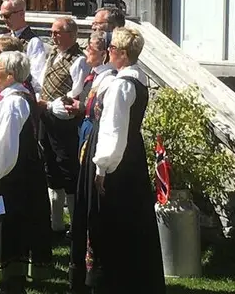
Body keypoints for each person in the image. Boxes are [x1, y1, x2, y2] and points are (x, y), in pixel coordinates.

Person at [69, 26, 165, 294]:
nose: (108, 52)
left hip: (116, 161)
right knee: (129, 217)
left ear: (121, 53)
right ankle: (129, 276)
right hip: (130, 155)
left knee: (108, 217)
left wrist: (102, 167)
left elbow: (113, 128)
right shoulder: (134, 78)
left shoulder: (122, 85)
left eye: (111, 49)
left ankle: (107, 279)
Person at [0, 50, 54, 294]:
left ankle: (10, 283)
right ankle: (11, 281)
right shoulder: (19, 98)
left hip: (12, 174)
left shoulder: (13, 102)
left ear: (10, 75)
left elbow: (3, 144)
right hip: (22, 172)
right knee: (16, 224)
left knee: (9, 225)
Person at [36, 17, 84, 234]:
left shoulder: (78, 60)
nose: (53, 36)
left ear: (71, 34)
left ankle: (75, 225)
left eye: (57, 32)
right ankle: (56, 223)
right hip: (47, 118)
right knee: (50, 166)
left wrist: (49, 103)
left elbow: (76, 93)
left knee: (67, 167)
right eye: (52, 32)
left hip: (65, 121)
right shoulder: (53, 54)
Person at [0, 0, 46, 86]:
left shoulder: (33, 42)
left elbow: (36, 74)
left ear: (21, 14)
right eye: (2, 15)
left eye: (7, 15)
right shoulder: (3, 39)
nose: (4, 19)